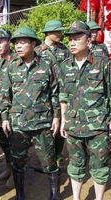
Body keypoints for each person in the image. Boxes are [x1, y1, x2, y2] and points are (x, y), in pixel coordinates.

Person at [58, 21, 111, 200]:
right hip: (73, 125)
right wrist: (63, 119)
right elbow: (63, 95)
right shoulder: (64, 66)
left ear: (88, 41)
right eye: (70, 39)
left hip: (97, 126)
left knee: (99, 166)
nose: (72, 42)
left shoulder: (102, 64)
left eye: (77, 38)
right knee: (75, 165)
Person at [0, 27, 61, 200]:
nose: (18, 46)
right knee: (17, 162)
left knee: (49, 161)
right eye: (16, 43)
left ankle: (54, 195)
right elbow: (5, 95)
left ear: (33, 44)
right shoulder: (11, 66)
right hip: (19, 125)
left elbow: (55, 92)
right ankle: (20, 194)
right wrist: (4, 118)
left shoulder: (46, 64)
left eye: (22, 42)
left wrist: (56, 116)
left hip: (43, 123)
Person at [35, 19, 70, 166]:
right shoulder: (37, 51)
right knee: (45, 124)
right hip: (44, 93)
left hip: (61, 92)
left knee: (61, 121)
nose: (61, 34)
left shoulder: (64, 50)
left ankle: (58, 153)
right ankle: (46, 155)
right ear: (48, 33)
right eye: (58, 31)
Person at [0, 28, 18, 188]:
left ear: (9, 42)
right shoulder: (0, 62)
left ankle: (16, 174)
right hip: (2, 110)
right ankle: (8, 168)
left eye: (1, 42)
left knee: (14, 144)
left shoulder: (15, 61)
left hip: (13, 111)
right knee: (4, 142)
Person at [86, 20, 111, 154]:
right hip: (87, 85)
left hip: (101, 84)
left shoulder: (101, 46)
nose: (94, 34)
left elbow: (108, 64)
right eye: (91, 32)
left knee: (105, 112)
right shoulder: (82, 46)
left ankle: (107, 140)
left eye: (95, 32)